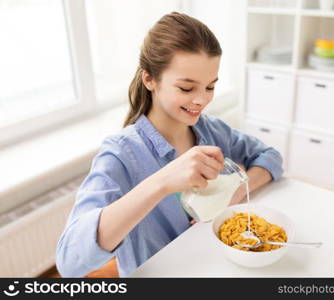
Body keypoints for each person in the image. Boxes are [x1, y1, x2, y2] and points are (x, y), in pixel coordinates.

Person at [56, 11, 283, 278]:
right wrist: (162, 182)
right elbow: (69, 262)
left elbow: (270, 157)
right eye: (187, 89)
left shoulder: (211, 130)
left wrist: (238, 190)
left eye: (210, 87)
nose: (201, 100)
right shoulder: (121, 154)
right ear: (150, 79)